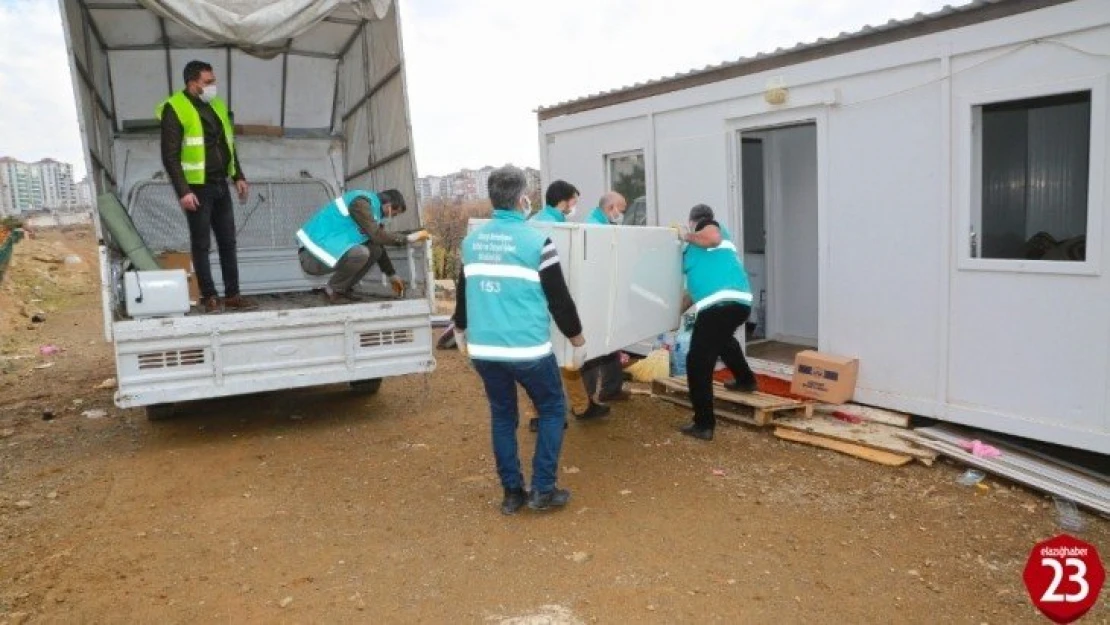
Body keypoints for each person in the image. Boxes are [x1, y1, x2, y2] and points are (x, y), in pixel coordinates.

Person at [453, 165, 587, 515]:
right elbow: (559, 297)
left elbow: (464, 290)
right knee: (553, 409)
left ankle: (512, 493)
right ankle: (543, 489)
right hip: (527, 349)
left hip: (484, 350)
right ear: (523, 198)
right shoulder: (537, 241)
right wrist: (577, 337)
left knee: (502, 416)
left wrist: (461, 327)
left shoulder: (471, 242)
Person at [158, 60, 256, 314]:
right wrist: (183, 191)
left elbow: (228, 144)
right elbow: (170, 155)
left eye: (213, 81)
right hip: (196, 188)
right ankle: (209, 296)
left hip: (221, 184)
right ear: (193, 83)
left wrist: (238, 176)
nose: (213, 86)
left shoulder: (216, 105)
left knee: (228, 241)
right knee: (201, 244)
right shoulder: (175, 108)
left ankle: (232, 294)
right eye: (208, 82)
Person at [677, 204, 758, 441]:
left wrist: (687, 235)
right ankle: (746, 380)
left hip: (720, 306)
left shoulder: (706, 229)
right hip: (736, 304)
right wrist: (674, 317)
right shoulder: (697, 254)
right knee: (723, 341)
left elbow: (711, 237)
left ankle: (703, 424)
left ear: (693, 221)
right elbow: (692, 292)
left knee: (698, 361)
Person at [296, 189, 428, 304]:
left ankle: (341, 290)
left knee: (374, 251)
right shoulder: (361, 202)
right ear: (388, 206)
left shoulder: (373, 215)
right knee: (361, 253)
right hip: (312, 255)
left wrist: (391, 274)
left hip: (325, 254)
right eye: (394, 213)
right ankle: (332, 290)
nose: (393, 217)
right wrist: (408, 238)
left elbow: (378, 244)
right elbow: (377, 235)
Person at [576, 191, 631, 421]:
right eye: (622, 209)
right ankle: (588, 402)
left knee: (610, 343)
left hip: (604, 295)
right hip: (594, 298)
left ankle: (611, 389)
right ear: (611, 208)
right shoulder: (594, 228)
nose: (623, 213)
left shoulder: (601, 224)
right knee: (592, 350)